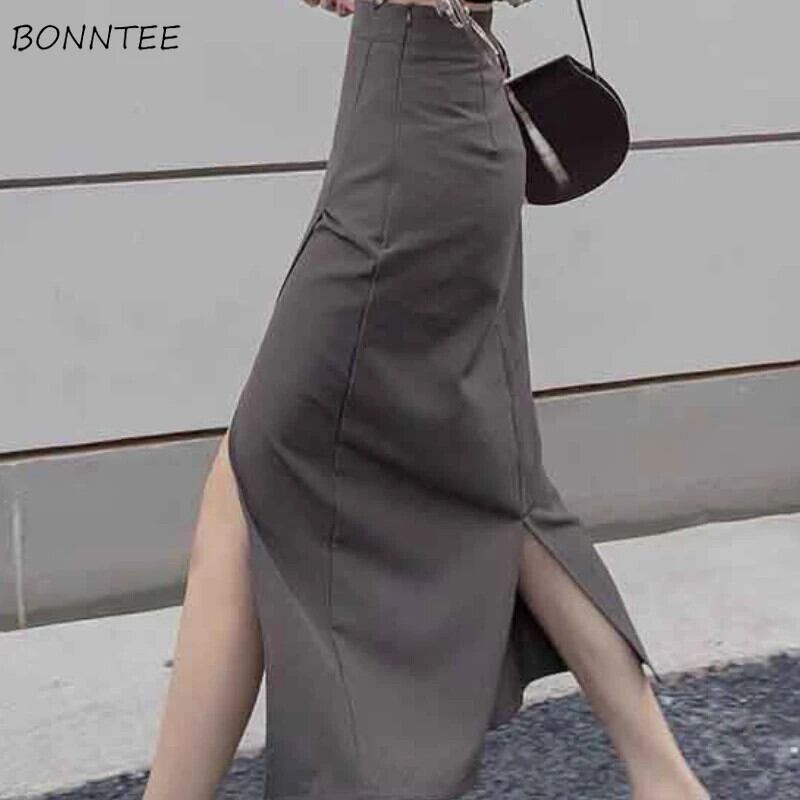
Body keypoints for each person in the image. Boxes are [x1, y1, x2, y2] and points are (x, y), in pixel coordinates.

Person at [143, 1, 711, 799]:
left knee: (254, 468)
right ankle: (667, 781)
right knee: (501, 480)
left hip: (417, 151)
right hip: (410, 131)